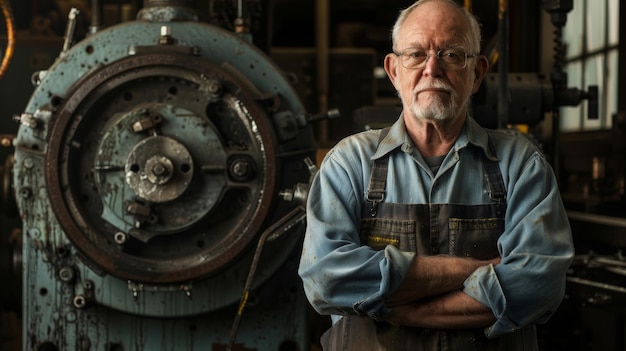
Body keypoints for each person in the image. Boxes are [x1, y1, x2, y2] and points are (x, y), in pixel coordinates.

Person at [297, 0, 575, 350]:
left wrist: (398, 310)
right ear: (394, 71)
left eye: (452, 54)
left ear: (477, 74)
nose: (432, 68)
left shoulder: (521, 164)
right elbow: (326, 280)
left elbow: (539, 285)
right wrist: (476, 269)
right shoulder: (349, 163)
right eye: (415, 54)